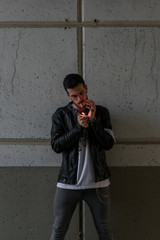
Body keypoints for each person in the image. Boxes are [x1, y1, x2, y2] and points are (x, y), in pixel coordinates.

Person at [50, 74, 115, 240]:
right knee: (58, 230)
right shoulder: (61, 114)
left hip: (98, 184)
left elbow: (108, 144)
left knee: (105, 231)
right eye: (74, 95)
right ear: (67, 95)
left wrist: (93, 122)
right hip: (68, 184)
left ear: (86, 88)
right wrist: (78, 128)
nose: (79, 99)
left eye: (82, 93)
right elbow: (56, 146)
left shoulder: (101, 112)